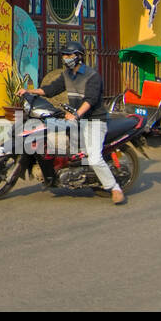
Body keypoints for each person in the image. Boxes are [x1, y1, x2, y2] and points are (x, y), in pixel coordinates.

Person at [23, 42, 124, 204]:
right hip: (77, 120)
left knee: (95, 158)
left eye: (69, 55)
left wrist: (76, 114)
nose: (65, 58)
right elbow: (50, 89)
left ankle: (114, 188)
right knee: (49, 131)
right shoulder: (67, 75)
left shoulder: (92, 76)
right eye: (64, 55)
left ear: (79, 57)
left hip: (94, 122)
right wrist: (29, 91)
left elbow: (90, 100)